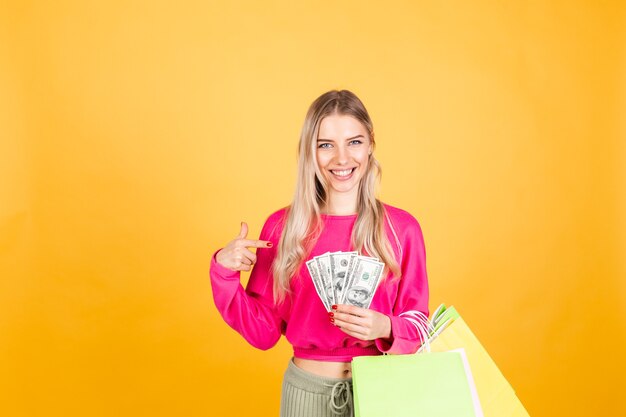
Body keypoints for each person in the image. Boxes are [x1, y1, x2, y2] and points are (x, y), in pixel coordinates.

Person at [209, 89, 429, 417]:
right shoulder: (281, 228)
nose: (342, 159)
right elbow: (263, 333)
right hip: (306, 395)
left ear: (370, 144)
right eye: (326, 145)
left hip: (383, 393)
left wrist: (385, 327)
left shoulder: (402, 229)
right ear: (310, 152)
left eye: (354, 142)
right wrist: (223, 274)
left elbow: (419, 324)